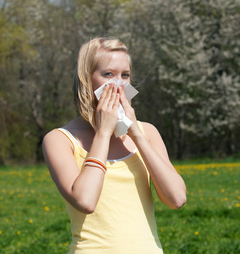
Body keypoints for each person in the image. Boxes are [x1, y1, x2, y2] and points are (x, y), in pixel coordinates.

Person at [42, 36, 186, 253]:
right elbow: (86, 201)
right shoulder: (60, 139)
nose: (119, 84)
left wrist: (135, 132)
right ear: (86, 80)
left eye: (125, 75)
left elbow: (176, 198)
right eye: (108, 74)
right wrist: (103, 133)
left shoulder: (148, 132)